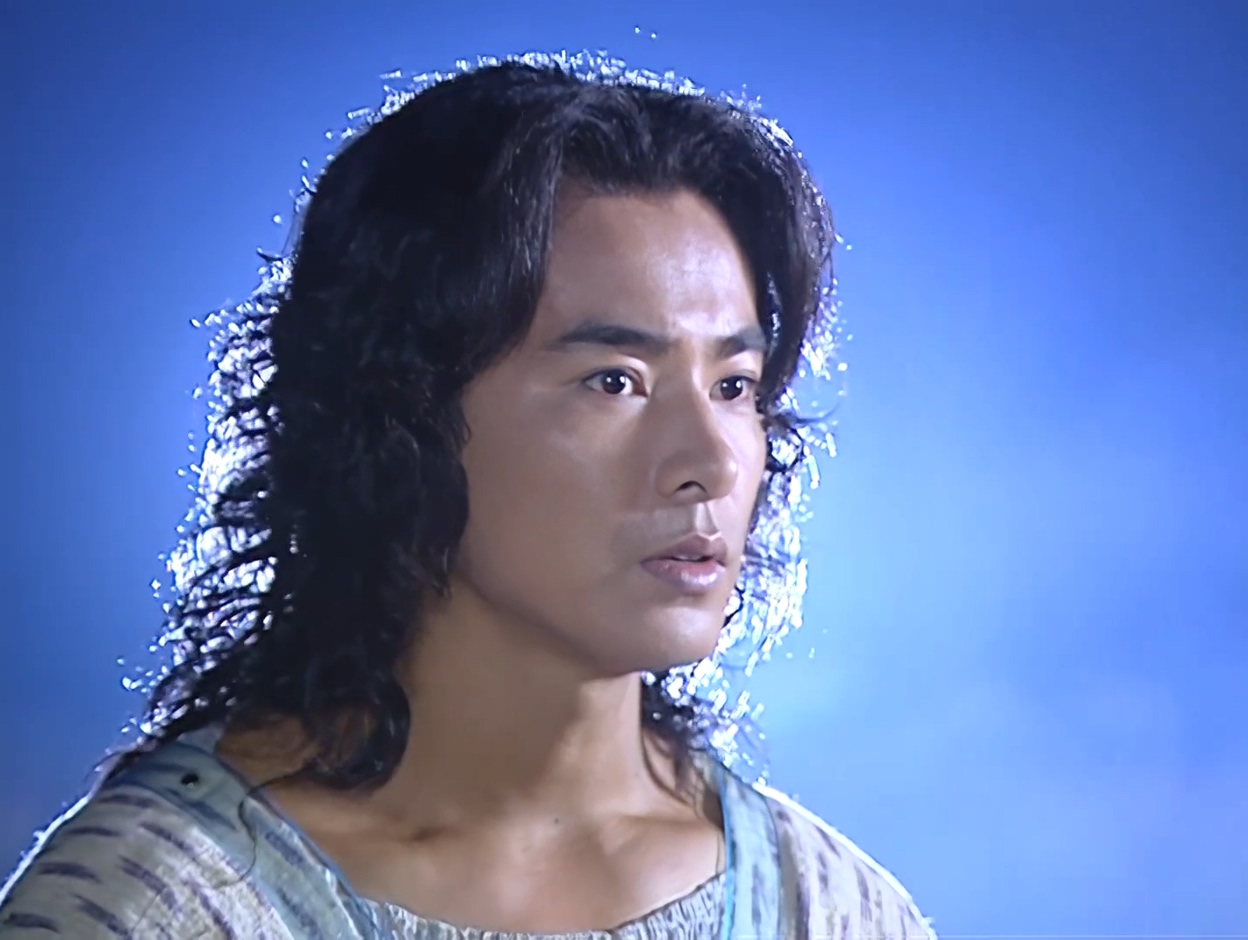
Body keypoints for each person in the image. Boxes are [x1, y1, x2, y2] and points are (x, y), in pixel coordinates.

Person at [0, 54, 935, 939]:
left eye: (734, 386)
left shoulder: (828, 911)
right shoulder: (159, 906)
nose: (713, 464)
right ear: (400, 411)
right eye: (615, 381)